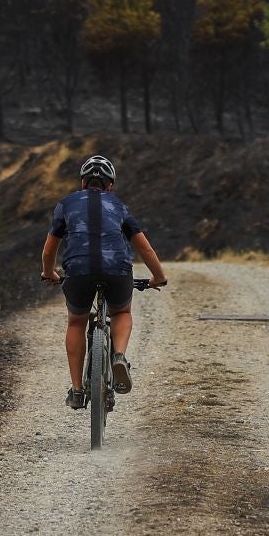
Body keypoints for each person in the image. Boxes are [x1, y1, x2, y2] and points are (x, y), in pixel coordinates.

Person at [40, 153, 168, 410]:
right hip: (116, 269)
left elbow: (49, 250)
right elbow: (145, 248)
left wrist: (49, 272)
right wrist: (159, 277)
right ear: (109, 185)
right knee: (121, 312)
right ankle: (118, 356)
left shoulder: (66, 204)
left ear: (83, 183)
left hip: (78, 270)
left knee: (77, 321)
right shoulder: (118, 206)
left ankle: (77, 390)